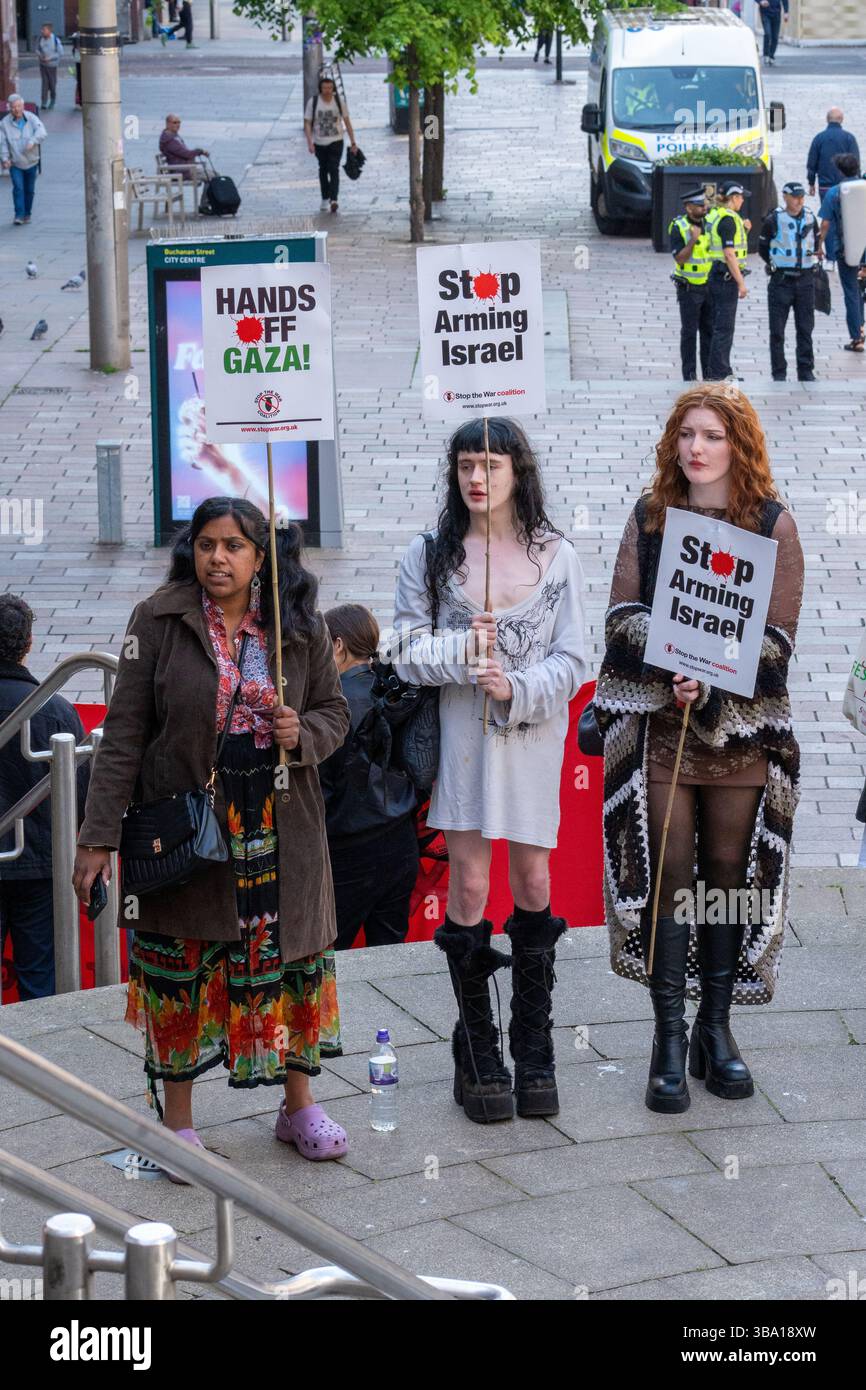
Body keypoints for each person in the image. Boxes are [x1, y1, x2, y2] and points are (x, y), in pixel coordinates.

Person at [72, 499, 351, 1169]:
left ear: (262, 555)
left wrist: (302, 734)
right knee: (179, 968)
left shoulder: (297, 625)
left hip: (281, 829)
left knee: (286, 964)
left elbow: (335, 712)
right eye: (206, 544)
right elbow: (125, 734)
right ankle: (178, 1127)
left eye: (234, 545)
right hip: (188, 832)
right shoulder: (159, 621)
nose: (217, 557)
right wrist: (96, 836)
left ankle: (299, 1106)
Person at [595, 385, 803, 1115]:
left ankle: (716, 1032)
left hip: (742, 735)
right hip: (663, 729)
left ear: (736, 443)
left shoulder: (773, 525)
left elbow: (777, 641)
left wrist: (714, 680)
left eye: (711, 435)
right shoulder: (652, 519)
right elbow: (622, 615)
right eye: (686, 434)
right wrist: (669, 666)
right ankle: (668, 1039)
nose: (695, 448)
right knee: (669, 876)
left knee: (723, 880)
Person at [386, 418, 586, 1124]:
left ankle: (534, 1044)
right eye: (467, 464)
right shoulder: (430, 556)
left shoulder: (557, 556)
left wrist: (518, 687)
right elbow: (402, 648)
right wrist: (463, 658)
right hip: (463, 745)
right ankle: (476, 1045)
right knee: (469, 881)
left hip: (532, 741)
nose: (477, 477)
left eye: (491, 463)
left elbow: (575, 658)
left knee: (533, 879)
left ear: (517, 471)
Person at [0, 597, 89, 1001]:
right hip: (40, 865)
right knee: (41, 979)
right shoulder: (55, 711)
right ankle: (41, 1058)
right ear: (28, 643)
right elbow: (83, 794)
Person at [318, 604, 418, 951]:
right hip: (402, 840)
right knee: (389, 953)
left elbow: (325, 784)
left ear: (338, 645)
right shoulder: (394, 689)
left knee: (331, 956)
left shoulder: (335, 704)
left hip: (350, 847)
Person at [758, 180, 820, 382]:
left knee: (805, 328)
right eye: (795, 197)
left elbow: (816, 243)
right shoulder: (773, 219)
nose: (800, 200)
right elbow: (763, 249)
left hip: (805, 280)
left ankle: (806, 370)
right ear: (785, 197)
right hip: (781, 281)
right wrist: (775, 264)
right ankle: (779, 372)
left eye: (802, 196)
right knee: (777, 331)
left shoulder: (811, 218)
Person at [818, 152, 866, 353]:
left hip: (846, 250)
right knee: (859, 291)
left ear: (840, 171)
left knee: (852, 292)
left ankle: (857, 336)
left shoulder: (835, 192)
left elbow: (826, 223)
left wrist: (818, 245)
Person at [705, 183, 752, 381]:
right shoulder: (728, 220)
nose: (743, 200)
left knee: (718, 326)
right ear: (733, 198)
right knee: (724, 328)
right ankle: (720, 373)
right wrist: (741, 282)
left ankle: (719, 369)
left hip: (716, 275)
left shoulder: (717, 214)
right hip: (725, 278)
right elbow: (729, 254)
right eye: (741, 197)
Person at [669, 186, 714, 381]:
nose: (704, 207)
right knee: (689, 333)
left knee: (709, 333)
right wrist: (693, 241)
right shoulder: (678, 227)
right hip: (689, 289)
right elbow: (680, 258)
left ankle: (709, 374)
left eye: (704, 204)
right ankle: (689, 375)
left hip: (710, 288)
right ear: (688, 208)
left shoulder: (711, 223)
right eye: (699, 205)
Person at [303, 75, 358, 214]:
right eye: (324, 88)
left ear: (333, 89)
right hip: (319, 142)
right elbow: (307, 122)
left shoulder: (339, 101)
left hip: (336, 141)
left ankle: (334, 199)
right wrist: (310, 142)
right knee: (323, 169)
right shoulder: (313, 102)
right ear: (320, 89)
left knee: (333, 168)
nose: (327, 90)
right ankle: (324, 197)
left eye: (330, 88)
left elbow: (347, 121)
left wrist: (353, 142)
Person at [0, 95, 46, 225]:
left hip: (31, 161)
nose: (16, 109)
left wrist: (33, 140)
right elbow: (2, 143)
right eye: (13, 107)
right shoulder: (4, 123)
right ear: (9, 108)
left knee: (29, 190)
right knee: (18, 188)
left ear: (23, 106)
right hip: (16, 163)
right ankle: (19, 215)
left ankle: (27, 214)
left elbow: (42, 132)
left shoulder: (31, 118)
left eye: (18, 106)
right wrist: (5, 158)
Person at [807, 108, 860, 203]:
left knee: (827, 215)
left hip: (825, 187)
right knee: (846, 215)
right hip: (847, 187)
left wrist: (811, 183)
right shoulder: (849, 138)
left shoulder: (819, 138)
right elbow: (855, 163)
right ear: (842, 119)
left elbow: (812, 163)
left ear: (827, 119)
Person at [159, 113, 208, 179]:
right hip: (181, 172)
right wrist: (200, 151)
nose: (178, 125)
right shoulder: (169, 140)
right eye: (175, 122)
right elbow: (186, 154)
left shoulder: (173, 136)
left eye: (179, 122)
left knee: (213, 176)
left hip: (185, 169)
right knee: (212, 178)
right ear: (168, 124)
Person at [36, 23, 64, 111]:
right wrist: (40, 56)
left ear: (49, 31)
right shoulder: (40, 38)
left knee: (52, 84)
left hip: (52, 66)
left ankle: (52, 100)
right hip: (43, 65)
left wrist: (50, 58)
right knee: (44, 83)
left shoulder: (55, 40)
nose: (42, 31)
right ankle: (43, 102)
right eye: (42, 30)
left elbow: (61, 53)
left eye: (44, 30)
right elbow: (36, 49)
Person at [757, 0, 788, 66]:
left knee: (775, 37)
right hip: (765, 13)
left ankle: (771, 56)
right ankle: (766, 55)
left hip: (776, 13)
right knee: (767, 33)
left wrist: (786, 12)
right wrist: (760, 1)